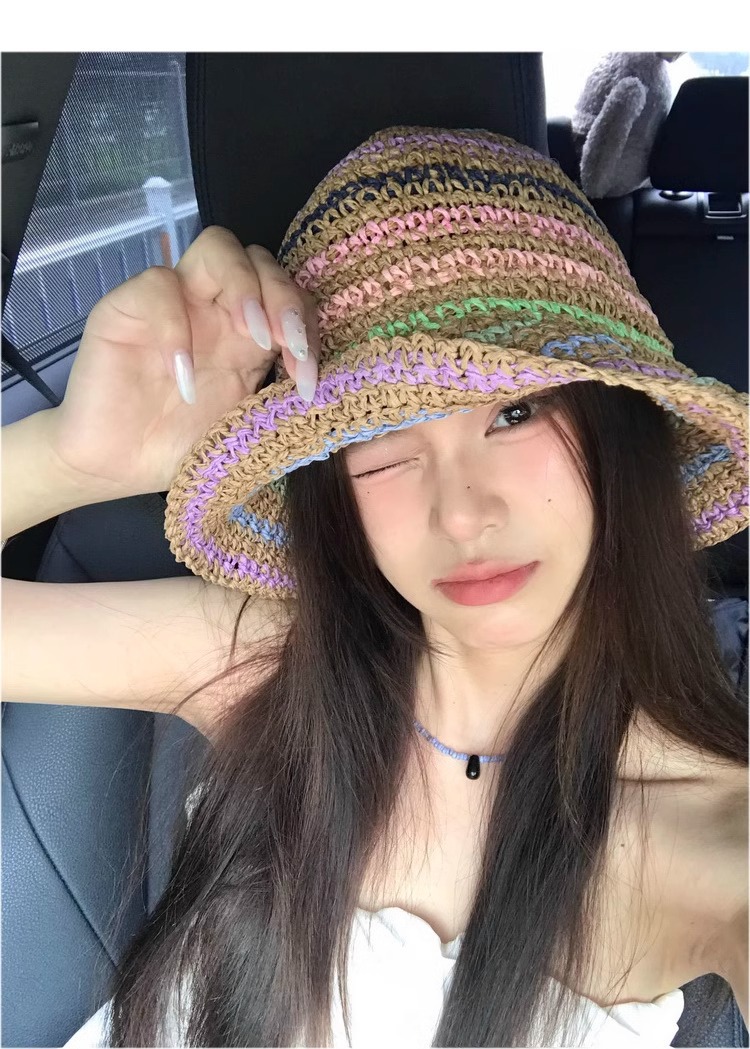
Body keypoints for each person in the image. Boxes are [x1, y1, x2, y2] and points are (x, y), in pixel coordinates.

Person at [4, 125, 748, 1047]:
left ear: (618, 429)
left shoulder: (718, 836)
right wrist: (70, 461)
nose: (461, 515)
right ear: (330, 491)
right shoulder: (269, 662)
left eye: (516, 412)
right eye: (379, 442)